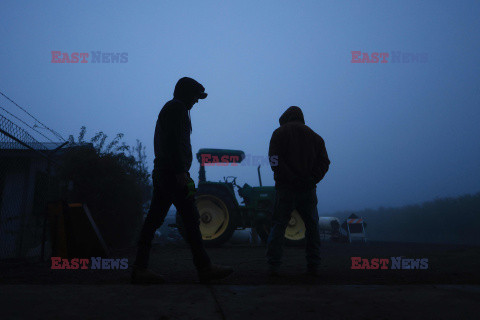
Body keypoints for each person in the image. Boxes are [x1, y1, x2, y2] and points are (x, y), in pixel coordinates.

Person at [131, 77, 233, 284]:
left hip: (165, 173)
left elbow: (171, 142)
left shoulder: (174, 109)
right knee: (190, 218)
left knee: (155, 220)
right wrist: (180, 172)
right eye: (195, 97)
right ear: (186, 94)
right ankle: (204, 268)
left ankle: (140, 268)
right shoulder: (176, 109)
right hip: (172, 174)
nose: (196, 102)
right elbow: (172, 142)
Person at [266, 106, 330, 276]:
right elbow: (325, 162)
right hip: (308, 190)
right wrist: (312, 178)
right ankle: (313, 264)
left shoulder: (279, 133)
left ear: (286, 118)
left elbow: (273, 159)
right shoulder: (316, 138)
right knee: (312, 226)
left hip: (286, 189)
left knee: (279, 225)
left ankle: (274, 265)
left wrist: (288, 177)